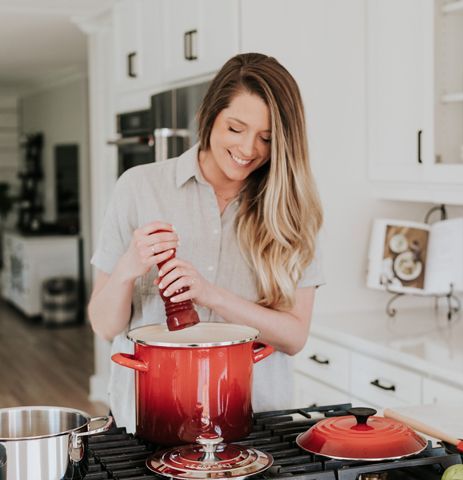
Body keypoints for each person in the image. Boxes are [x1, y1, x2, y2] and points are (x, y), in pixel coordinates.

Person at [88, 53, 324, 433]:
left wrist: (209, 294)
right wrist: (127, 269)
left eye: (266, 138)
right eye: (235, 128)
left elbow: (294, 337)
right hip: (150, 421)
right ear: (210, 116)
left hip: (255, 424)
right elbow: (102, 324)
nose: (249, 149)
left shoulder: (292, 210)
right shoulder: (139, 187)